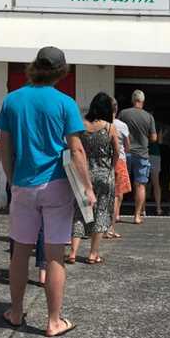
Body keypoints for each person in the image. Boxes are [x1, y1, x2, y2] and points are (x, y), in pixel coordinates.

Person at [0, 46, 95, 337]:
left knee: (19, 253)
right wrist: (88, 187)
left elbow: (4, 145)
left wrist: (12, 177)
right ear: (61, 72)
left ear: (34, 67)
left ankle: (15, 312)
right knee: (54, 255)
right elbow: (76, 149)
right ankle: (53, 321)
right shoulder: (65, 103)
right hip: (56, 185)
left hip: (23, 184)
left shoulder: (12, 100)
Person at [67, 93, 119, 264]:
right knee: (102, 213)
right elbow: (117, 151)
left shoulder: (81, 125)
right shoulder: (110, 128)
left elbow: (74, 148)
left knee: (80, 212)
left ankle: (73, 252)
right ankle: (93, 254)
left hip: (84, 174)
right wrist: (112, 166)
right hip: (104, 175)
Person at [118, 89, 157, 224]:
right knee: (140, 185)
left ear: (132, 100)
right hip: (141, 154)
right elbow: (153, 138)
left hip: (125, 153)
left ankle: (116, 214)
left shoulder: (123, 113)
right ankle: (137, 216)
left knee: (121, 183)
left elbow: (116, 129)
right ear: (143, 101)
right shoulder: (149, 117)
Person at [107, 98, 131, 239]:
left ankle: (99, 227)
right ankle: (110, 227)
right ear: (116, 109)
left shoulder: (98, 124)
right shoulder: (121, 126)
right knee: (117, 195)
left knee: (103, 196)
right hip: (119, 161)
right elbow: (128, 147)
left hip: (102, 162)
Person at [148, 125, 164, 216]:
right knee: (156, 183)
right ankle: (158, 208)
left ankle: (142, 210)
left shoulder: (142, 124)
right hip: (155, 155)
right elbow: (160, 142)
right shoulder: (157, 127)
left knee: (142, 183)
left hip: (144, 153)